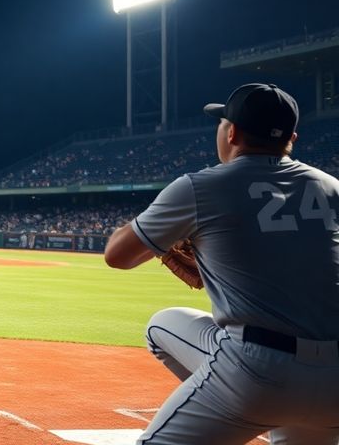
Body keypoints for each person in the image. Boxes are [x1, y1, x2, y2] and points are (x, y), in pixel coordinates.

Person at [104, 83, 339, 444]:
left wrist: (160, 232)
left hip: (256, 372)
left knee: (160, 326)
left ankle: (228, 407)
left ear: (232, 133)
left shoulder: (202, 187)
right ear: (291, 138)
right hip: (334, 384)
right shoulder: (332, 187)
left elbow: (117, 256)